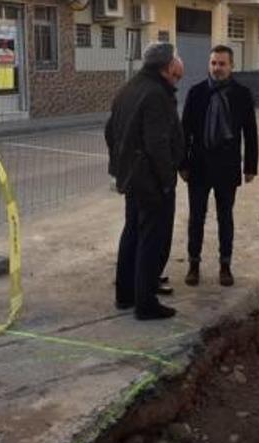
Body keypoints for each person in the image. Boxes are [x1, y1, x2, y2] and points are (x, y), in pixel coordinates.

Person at [105, 43, 184, 320]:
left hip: (132, 177)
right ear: (166, 67)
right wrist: (166, 181)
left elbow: (109, 131)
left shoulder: (129, 88)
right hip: (150, 181)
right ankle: (145, 303)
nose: (178, 65)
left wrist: (120, 166)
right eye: (175, 61)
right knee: (152, 240)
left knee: (132, 234)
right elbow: (157, 143)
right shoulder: (156, 94)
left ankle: (125, 295)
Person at [179, 45, 258, 287]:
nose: (217, 68)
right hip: (199, 167)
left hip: (227, 166)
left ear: (231, 66)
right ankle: (194, 264)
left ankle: (225, 265)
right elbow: (184, 132)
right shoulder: (196, 93)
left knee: (225, 217)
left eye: (222, 64)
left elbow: (250, 133)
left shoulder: (242, 94)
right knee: (196, 218)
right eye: (213, 63)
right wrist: (182, 164)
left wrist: (251, 166)